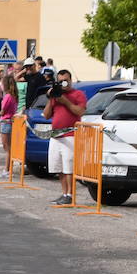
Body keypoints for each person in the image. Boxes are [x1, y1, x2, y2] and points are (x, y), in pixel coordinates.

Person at [46, 69, 86, 205]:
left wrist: (66, 102)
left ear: (70, 80)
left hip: (70, 135)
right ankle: (64, 193)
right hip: (56, 135)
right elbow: (46, 115)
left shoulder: (77, 94)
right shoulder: (56, 95)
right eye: (60, 81)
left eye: (66, 81)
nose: (63, 83)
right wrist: (50, 98)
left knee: (69, 167)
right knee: (59, 168)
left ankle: (70, 194)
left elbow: (79, 111)